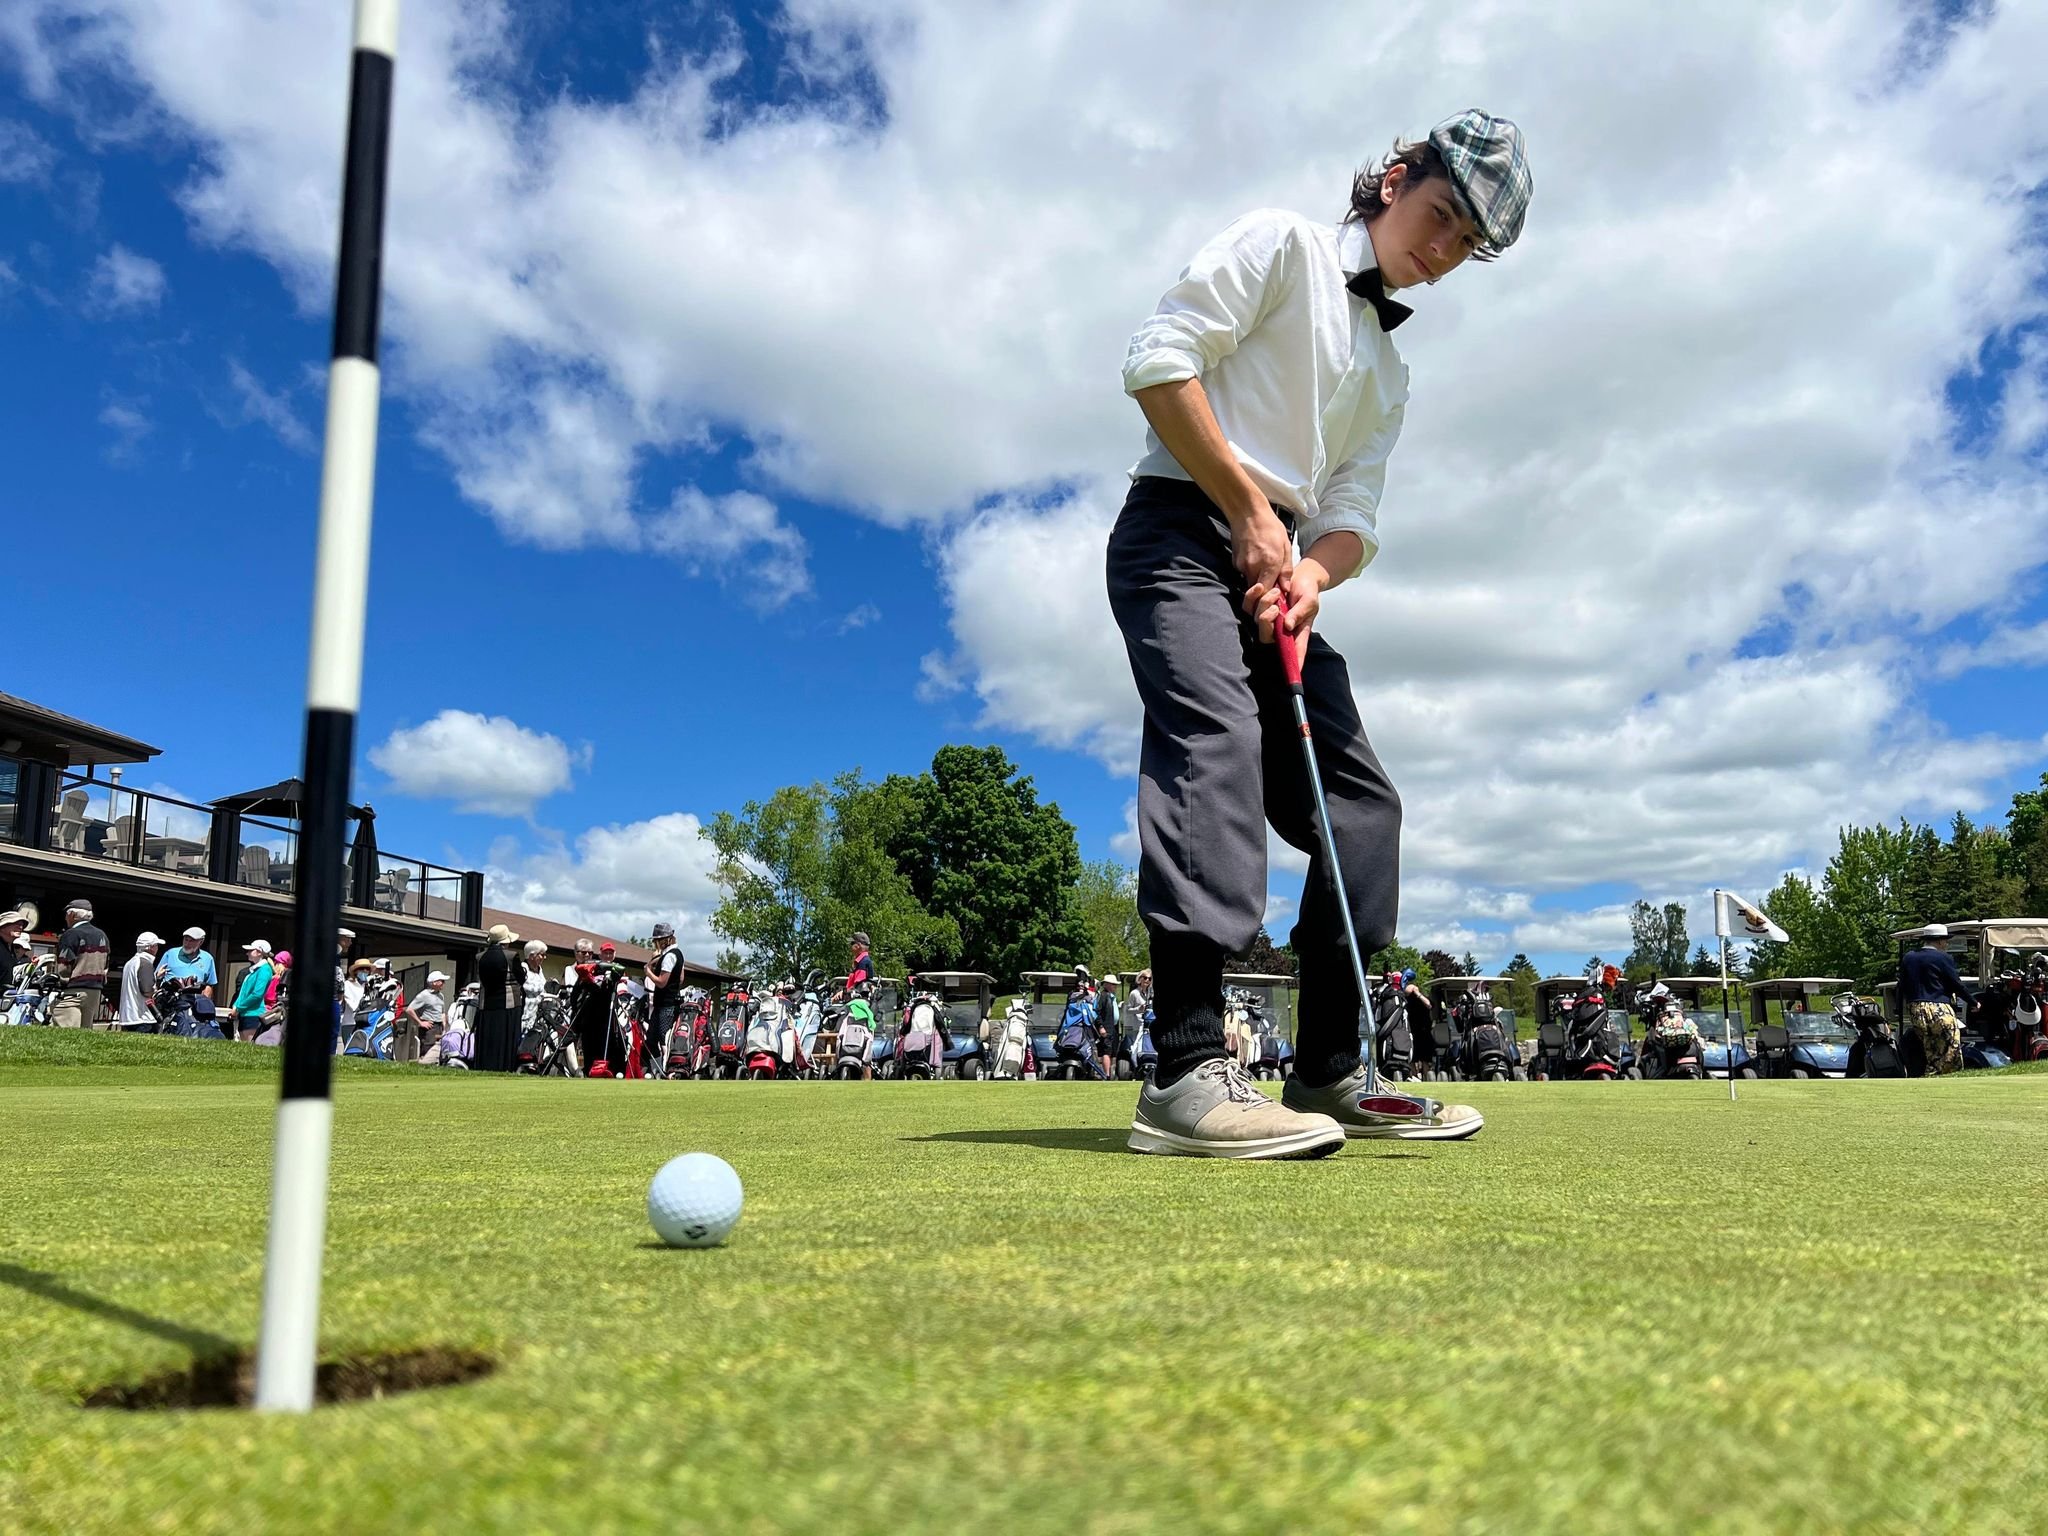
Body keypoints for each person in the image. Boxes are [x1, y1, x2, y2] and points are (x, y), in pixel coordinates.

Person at [1109, 113, 1529, 1155]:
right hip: (1176, 530)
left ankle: (1333, 1065)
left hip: (1276, 571)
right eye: (1438, 219)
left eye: (1462, 248)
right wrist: (1249, 515)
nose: (1439, 254)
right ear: (1393, 179)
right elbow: (1159, 363)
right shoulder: (1280, 245)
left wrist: (1304, 568)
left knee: (1360, 803)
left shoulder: (1388, 373)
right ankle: (1185, 1071)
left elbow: (1352, 515)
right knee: (1215, 745)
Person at [1899, 925, 1969, 1077]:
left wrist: (1899, 1008)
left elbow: (1901, 985)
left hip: (1915, 1009)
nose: (1946, 944)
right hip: (1938, 1007)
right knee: (1951, 1046)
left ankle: (1929, 1075)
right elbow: (1956, 984)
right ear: (1939, 941)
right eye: (1945, 941)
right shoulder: (1944, 958)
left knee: (1930, 1047)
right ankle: (1941, 1076)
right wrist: (1973, 1001)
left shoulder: (1909, 957)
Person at [49, 899, 111, 1030]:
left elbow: (64, 966)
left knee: (67, 1033)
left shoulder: (71, 934)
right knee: (84, 1035)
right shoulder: (102, 935)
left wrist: (59, 981)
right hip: (95, 991)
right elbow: (106, 964)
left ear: (72, 914)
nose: (66, 917)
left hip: (73, 991)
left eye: (66, 914)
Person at [473, 923, 523, 1072]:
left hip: (485, 1005)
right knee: (506, 1039)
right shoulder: (511, 956)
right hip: (509, 1005)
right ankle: (505, 1066)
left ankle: (484, 1065)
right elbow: (521, 978)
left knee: (487, 1038)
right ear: (506, 941)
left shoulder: (479, 957)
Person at [643, 922, 686, 1077]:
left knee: (663, 1039)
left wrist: (648, 973)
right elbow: (680, 978)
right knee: (652, 1039)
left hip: (665, 1005)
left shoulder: (669, 957)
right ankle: (657, 1070)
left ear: (664, 940)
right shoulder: (678, 954)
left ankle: (665, 1070)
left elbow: (661, 982)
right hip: (668, 1003)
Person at [116, 931, 165, 1029]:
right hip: (141, 1017)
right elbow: (147, 991)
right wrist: (156, 989)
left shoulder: (131, 962)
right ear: (151, 947)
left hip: (128, 1017)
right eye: (156, 945)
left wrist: (155, 976)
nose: (157, 948)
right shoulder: (145, 963)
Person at [231, 940, 275, 1041]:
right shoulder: (255, 970)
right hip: (245, 1015)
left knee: (248, 1050)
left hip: (253, 1015)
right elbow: (243, 994)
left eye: (250, 950)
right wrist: (236, 1006)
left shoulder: (264, 970)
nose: (247, 953)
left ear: (259, 952)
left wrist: (238, 1007)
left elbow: (257, 994)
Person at [403, 971, 449, 1064]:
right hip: (429, 1027)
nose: (444, 983)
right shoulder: (424, 995)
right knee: (428, 1049)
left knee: (439, 1049)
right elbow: (409, 1009)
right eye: (442, 981)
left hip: (439, 1026)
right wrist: (420, 1022)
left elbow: (442, 1012)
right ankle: (424, 1064)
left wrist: (444, 1025)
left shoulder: (441, 996)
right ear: (434, 983)